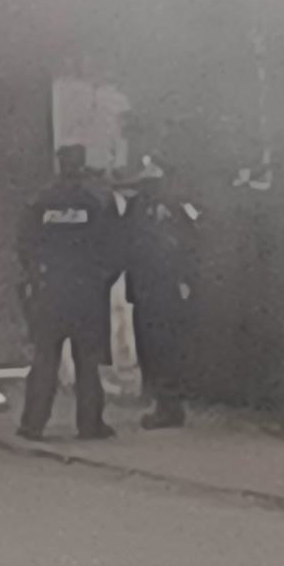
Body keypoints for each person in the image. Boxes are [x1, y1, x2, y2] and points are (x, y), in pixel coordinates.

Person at [16, 144, 122, 442]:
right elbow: (114, 248)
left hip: (49, 291)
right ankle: (90, 425)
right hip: (86, 293)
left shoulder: (41, 201)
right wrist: (102, 280)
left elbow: (24, 244)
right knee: (87, 361)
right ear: (82, 164)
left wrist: (37, 276)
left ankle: (33, 424)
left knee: (45, 358)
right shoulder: (97, 202)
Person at [122, 163, 201, 428]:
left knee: (163, 347)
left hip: (164, 288)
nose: (146, 190)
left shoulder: (174, 210)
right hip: (143, 286)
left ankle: (169, 405)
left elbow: (189, 246)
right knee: (148, 346)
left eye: (150, 185)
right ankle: (158, 398)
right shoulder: (136, 209)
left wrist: (186, 281)